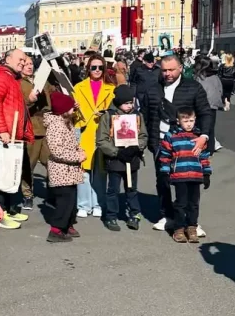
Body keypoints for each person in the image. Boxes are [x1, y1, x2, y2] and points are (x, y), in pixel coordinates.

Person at [143, 54, 212, 233]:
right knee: (163, 180)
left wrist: (204, 136)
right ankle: (167, 215)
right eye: (164, 70)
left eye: (171, 69)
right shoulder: (152, 89)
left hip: (188, 144)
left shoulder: (193, 87)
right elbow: (145, 116)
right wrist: (147, 141)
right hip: (160, 142)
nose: (167, 74)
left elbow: (205, 113)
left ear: (181, 68)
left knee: (189, 183)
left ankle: (191, 222)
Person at [0, 47, 34, 229]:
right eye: (19, 59)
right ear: (8, 59)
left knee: (13, 172)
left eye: (24, 60)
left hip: (13, 133)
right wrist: (2, 130)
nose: (22, 62)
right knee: (2, 176)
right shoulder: (1, 76)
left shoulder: (12, 77)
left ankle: (11, 209)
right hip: (5, 134)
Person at [96, 85, 147, 231]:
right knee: (113, 189)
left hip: (132, 159)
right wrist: (116, 152)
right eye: (126, 103)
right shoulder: (108, 116)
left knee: (131, 189)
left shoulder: (137, 116)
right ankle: (111, 216)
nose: (129, 105)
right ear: (118, 102)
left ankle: (134, 215)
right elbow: (101, 140)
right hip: (115, 159)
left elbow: (143, 135)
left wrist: (137, 147)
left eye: (131, 102)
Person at [157, 107, 211, 244]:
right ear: (178, 121)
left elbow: (204, 157)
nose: (189, 124)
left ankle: (192, 227)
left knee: (193, 204)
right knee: (181, 204)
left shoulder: (198, 136)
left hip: (195, 175)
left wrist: (206, 173)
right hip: (179, 175)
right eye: (185, 121)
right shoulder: (171, 136)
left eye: (191, 121)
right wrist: (165, 172)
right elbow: (165, 155)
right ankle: (179, 228)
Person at [73, 54, 114, 219]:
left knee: (101, 170)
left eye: (100, 67)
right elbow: (71, 113)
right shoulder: (78, 87)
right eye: (93, 67)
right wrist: (74, 107)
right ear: (88, 68)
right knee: (83, 170)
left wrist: (105, 113)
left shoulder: (111, 89)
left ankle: (98, 203)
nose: (97, 70)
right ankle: (83, 205)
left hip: (103, 132)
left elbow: (114, 111)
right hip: (85, 131)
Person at [43, 92, 85, 243]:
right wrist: (76, 156)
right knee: (64, 200)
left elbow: (71, 142)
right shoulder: (55, 125)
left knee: (71, 199)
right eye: (70, 108)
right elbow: (56, 150)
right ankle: (56, 229)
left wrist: (79, 150)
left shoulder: (66, 121)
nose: (73, 110)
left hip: (69, 170)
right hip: (61, 170)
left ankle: (68, 224)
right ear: (63, 110)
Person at [19, 56, 51, 210]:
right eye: (26, 64)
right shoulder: (19, 83)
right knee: (28, 165)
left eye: (31, 64)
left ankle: (52, 191)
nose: (29, 67)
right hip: (30, 128)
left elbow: (53, 94)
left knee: (51, 161)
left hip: (46, 127)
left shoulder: (41, 80)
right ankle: (27, 194)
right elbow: (18, 105)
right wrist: (30, 100)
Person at [194, 57, 224, 153]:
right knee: (210, 127)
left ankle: (202, 148)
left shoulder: (199, 77)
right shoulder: (215, 76)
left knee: (201, 127)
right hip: (213, 105)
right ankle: (210, 148)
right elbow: (220, 90)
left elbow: (196, 92)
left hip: (202, 105)